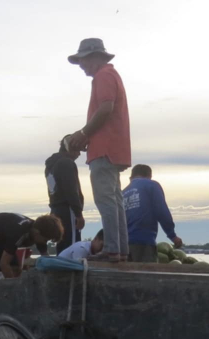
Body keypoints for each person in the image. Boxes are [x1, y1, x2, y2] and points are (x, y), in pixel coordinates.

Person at [67, 38, 131, 263]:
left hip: (105, 150)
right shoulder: (111, 74)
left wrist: (84, 133)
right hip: (113, 148)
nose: (82, 65)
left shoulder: (103, 75)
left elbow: (106, 108)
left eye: (83, 60)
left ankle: (112, 250)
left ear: (95, 57)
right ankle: (120, 250)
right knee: (114, 201)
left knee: (106, 201)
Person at [0, 213, 64, 329]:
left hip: (2, 241)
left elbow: (46, 260)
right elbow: (4, 264)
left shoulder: (40, 231)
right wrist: (16, 291)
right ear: (36, 233)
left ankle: (13, 309)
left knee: (16, 270)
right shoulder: (19, 232)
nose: (45, 243)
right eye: (45, 240)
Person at [122, 165, 183, 262]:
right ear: (149, 176)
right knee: (146, 275)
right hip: (144, 243)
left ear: (131, 177)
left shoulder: (123, 192)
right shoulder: (151, 185)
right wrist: (172, 235)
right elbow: (161, 211)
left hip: (123, 246)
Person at [45, 135, 86, 254]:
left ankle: (60, 269)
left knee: (62, 245)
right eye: (78, 149)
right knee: (72, 247)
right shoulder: (66, 163)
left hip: (56, 210)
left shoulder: (50, 165)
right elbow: (71, 190)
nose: (79, 154)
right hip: (68, 211)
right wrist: (78, 214)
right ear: (70, 148)